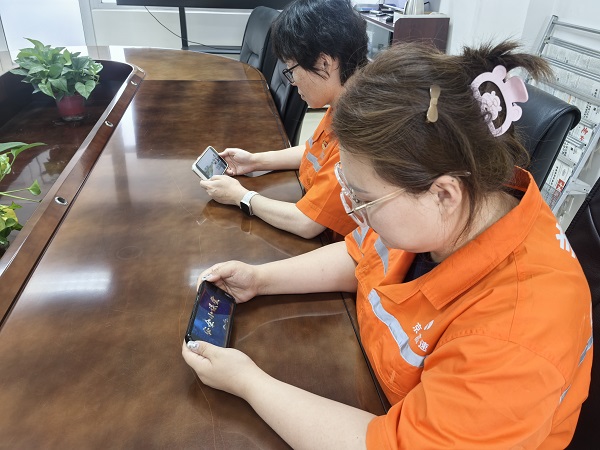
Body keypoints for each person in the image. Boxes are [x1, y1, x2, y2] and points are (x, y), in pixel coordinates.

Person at [182, 41, 593, 449]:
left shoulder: (516, 336)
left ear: (444, 194)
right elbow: (363, 254)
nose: (354, 211)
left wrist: (249, 382)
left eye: (363, 199)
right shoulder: (449, 207)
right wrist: (260, 279)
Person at [197, 0, 368, 240]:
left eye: (291, 69)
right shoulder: (346, 99)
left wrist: (241, 196)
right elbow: (314, 150)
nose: (292, 82)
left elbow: (306, 223)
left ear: (324, 63)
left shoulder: (359, 130)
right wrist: (254, 161)